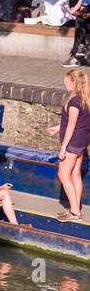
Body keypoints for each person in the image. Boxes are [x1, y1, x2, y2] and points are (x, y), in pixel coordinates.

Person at [48, 68, 90, 221]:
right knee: (75, 174)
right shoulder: (85, 98)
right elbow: (78, 122)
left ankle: (75, 213)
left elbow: (72, 126)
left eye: (66, 82)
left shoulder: (74, 101)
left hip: (72, 143)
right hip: (82, 142)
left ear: (73, 83)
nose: (65, 85)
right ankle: (75, 208)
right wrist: (58, 127)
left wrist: (63, 147)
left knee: (63, 174)